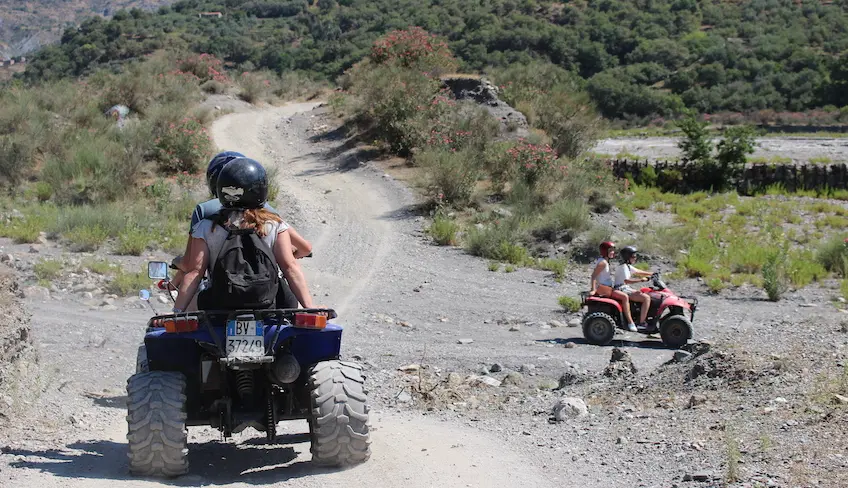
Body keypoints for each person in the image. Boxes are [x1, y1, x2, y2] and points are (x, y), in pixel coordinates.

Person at [171, 151, 312, 309]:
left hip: (220, 303)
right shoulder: (274, 225)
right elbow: (289, 267)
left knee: (186, 325)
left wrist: (177, 312)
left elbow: (195, 273)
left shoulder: (206, 227)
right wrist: (309, 307)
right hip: (269, 302)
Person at [590, 241, 639, 332]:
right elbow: (593, 276)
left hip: (608, 288)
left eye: (613, 250)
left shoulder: (605, 261)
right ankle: (630, 322)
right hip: (604, 289)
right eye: (610, 250)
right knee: (624, 296)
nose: (613, 252)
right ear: (605, 251)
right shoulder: (603, 263)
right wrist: (593, 290)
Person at [614, 246, 653, 331]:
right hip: (621, 288)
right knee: (646, 298)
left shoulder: (627, 266)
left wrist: (652, 273)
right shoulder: (623, 267)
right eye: (633, 256)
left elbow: (639, 271)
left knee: (645, 292)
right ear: (627, 257)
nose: (635, 258)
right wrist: (641, 280)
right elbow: (627, 281)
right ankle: (641, 323)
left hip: (625, 287)